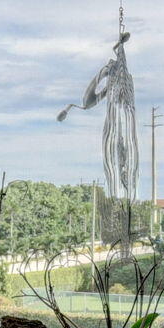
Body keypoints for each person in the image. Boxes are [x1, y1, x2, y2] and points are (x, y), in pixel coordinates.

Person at [58, 30, 139, 239]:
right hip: (115, 126)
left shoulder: (125, 83)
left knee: (126, 165)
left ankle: (125, 212)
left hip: (124, 126)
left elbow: (89, 102)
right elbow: (88, 101)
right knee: (116, 164)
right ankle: (121, 211)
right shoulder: (111, 78)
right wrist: (103, 76)